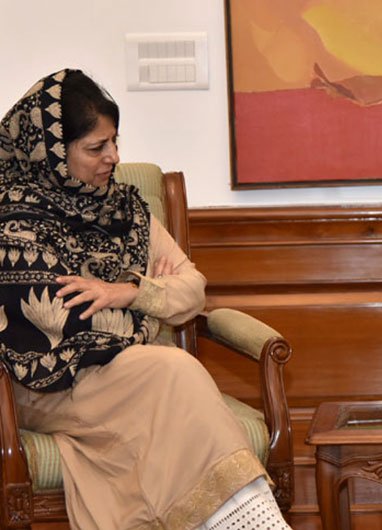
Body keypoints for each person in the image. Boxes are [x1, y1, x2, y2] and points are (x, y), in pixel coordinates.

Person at [0, 69, 292, 530]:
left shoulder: (127, 211)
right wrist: (147, 310)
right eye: (96, 148)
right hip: (42, 386)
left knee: (169, 378)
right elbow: (47, 324)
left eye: (115, 142)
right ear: (51, 154)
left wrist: (129, 292)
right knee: (173, 370)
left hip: (127, 374)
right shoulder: (13, 218)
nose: (113, 157)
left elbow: (193, 291)